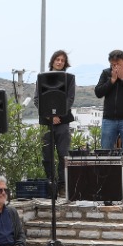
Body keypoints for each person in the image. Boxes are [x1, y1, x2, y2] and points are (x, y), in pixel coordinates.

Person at [38, 51, 76, 194]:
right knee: (47, 155)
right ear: (52, 61)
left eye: (62, 60)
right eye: (57, 59)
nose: (59, 62)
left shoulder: (70, 78)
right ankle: (50, 184)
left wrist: (58, 113)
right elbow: (37, 100)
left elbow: (70, 99)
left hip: (63, 121)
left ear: (65, 63)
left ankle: (62, 186)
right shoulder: (42, 78)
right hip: (46, 122)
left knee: (63, 154)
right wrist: (50, 116)